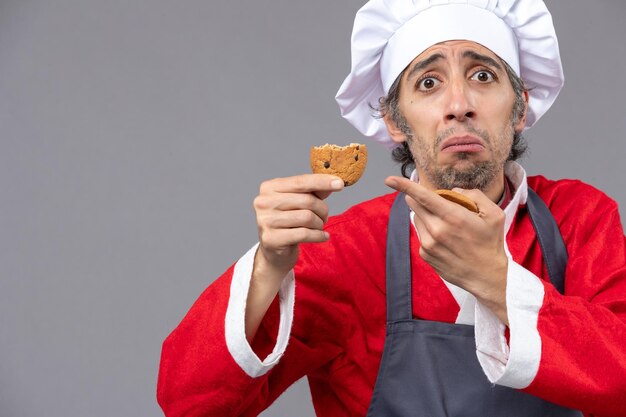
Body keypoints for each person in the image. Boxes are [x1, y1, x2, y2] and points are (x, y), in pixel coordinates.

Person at [157, 0, 626, 416]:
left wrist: (497, 282)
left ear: (520, 105)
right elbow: (189, 402)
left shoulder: (580, 219)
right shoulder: (347, 249)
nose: (459, 105)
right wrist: (267, 269)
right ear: (393, 120)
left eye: (483, 76)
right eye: (428, 82)